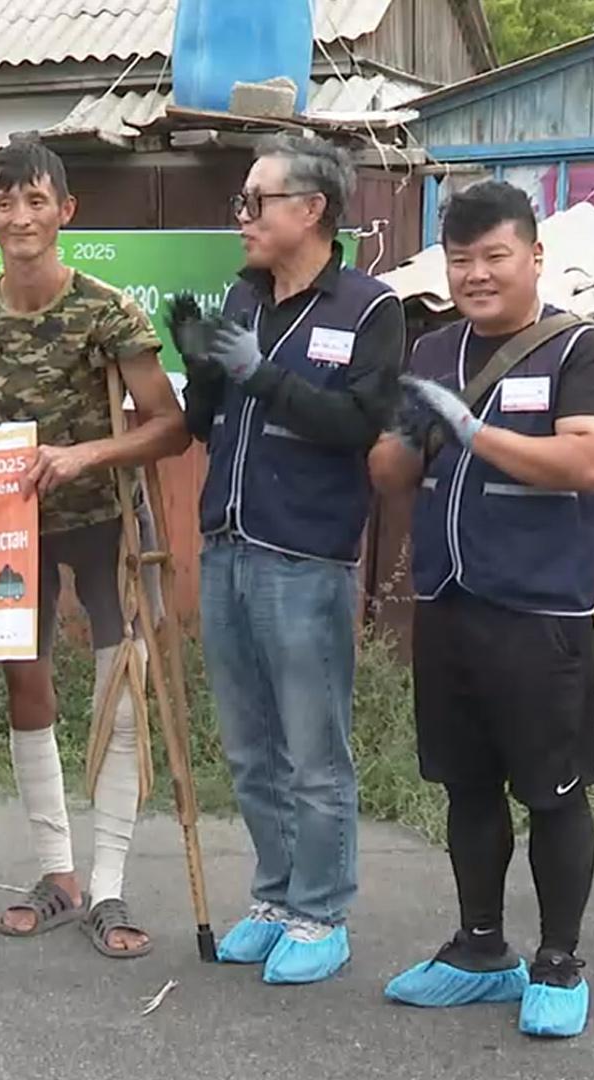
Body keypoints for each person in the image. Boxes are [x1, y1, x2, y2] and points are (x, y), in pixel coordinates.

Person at [368, 181, 594, 1039]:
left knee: (552, 793)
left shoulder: (579, 350)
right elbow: (389, 473)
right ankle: (481, 950)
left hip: (540, 612)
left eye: (494, 257)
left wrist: (474, 433)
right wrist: (408, 435)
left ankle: (557, 963)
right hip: (447, 603)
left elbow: (588, 461)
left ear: (534, 258)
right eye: (460, 259)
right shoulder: (436, 350)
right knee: (467, 786)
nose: (476, 275)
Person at [0, 135, 188, 959]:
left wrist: (84, 455)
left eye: (35, 201)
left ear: (65, 211)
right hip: (16, 523)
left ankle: (108, 884)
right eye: (4, 202)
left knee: (121, 686)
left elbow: (170, 425)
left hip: (104, 512)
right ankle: (58, 874)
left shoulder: (106, 310)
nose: (19, 217)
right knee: (24, 681)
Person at [167, 135, 405, 985]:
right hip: (228, 543)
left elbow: (357, 427)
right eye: (242, 202)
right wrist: (200, 362)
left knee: (313, 747)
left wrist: (261, 375)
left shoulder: (370, 308)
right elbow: (204, 423)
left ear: (312, 210)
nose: (243, 218)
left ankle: (322, 911)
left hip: (305, 555)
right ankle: (273, 896)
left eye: (256, 202)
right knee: (249, 746)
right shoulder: (244, 295)